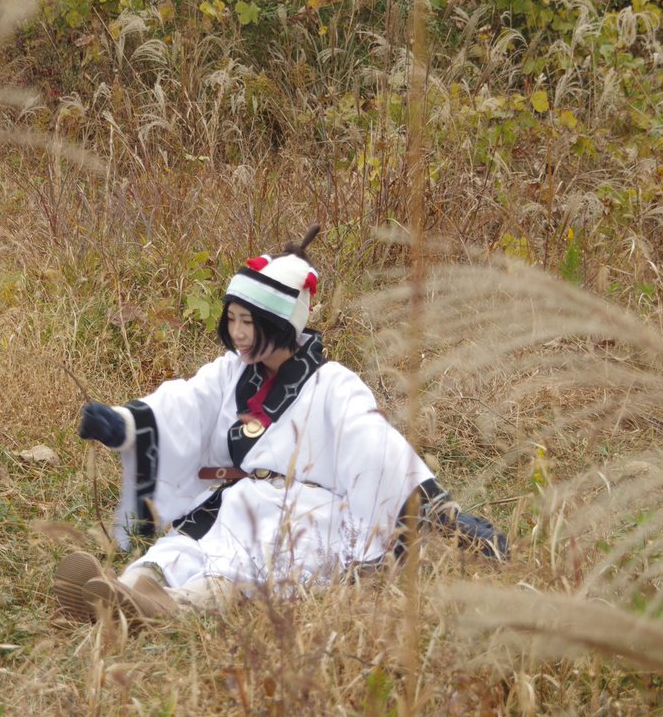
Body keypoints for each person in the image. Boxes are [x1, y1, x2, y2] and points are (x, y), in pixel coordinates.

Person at [56, 226, 506, 623]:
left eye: (249, 322)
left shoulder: (334, 383)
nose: (237, 333)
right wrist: (124, 422)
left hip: (306, 513)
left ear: (280, 323)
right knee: (182, 547)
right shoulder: (231, 371)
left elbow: (374, 445)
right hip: (240, 499)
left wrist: (441, 513)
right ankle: (124, 588)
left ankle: (170, 607)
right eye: (232, 319)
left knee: (244, 567)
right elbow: (186, 403)